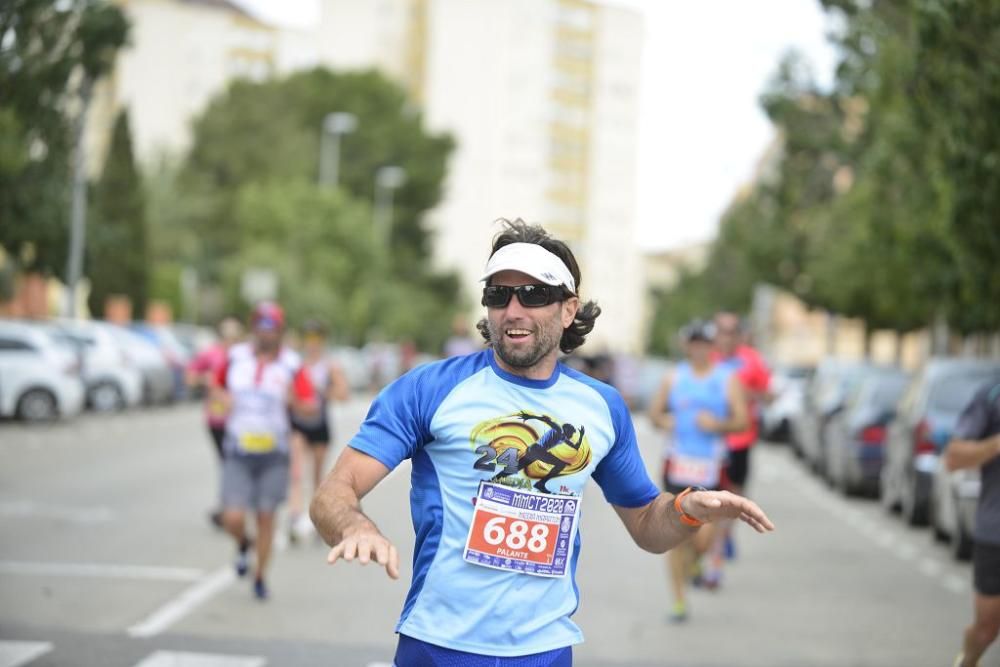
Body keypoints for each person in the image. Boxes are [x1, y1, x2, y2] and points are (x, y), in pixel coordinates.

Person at [310, 219, 774, 666]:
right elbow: (334, 492)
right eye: (498, 294)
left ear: (568, 308)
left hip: (545, 652)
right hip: (438, 647)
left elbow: (648, 527)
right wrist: (356, 527)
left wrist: (688, 509)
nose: (513, 310)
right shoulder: (429, 390)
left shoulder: (601, 408)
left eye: (533, 294)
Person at [211, 301, 318, 600]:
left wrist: (294, 401)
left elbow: (311, 407)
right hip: (238, 450)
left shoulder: (292, 365)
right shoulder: (235, 358)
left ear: (280, 331)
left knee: (266, 516)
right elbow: (214, 386)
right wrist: (222, 399)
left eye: (271, 327)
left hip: (274, 454)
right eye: (261, 325)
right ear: (253, 327)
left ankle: (260, 576)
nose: (266, 332)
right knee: (232, 516)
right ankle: (243, 543)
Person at [649, 320, 748, 621]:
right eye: (693, 343)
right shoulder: (674, 377)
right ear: (686, 346)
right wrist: (666, 422)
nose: (698, 349)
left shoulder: (726, 378)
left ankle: (698, 560)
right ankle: (679, 602)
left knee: (702, 539)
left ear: (712, 346)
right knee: (676, 536)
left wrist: (716, 425)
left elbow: (743, 421)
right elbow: (655, 414)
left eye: (704, 343)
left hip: (711, 470)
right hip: (677, 466)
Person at [944, 379, 1000, 667]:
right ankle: (968, 661)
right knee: (987, 628)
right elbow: (953, 458)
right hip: (995, 532)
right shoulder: (991, 394)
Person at [288, 319, 350, 543]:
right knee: (296, 473)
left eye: (317, 339)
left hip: (320, 425)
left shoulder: (329, 365)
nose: (312, 343)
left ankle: (316, 519)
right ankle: (294, 518)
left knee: (316, 476)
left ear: (322, 341)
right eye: (309, 338)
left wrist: (321, 390)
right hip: (298, 423)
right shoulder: (296, 363)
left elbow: (343, 394)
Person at [185, 316, 244, 528]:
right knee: (226, 462)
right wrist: (206, 379)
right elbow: (190, 377)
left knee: (236, 463)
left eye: (234, 336)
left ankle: (231, 505)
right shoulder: (210, 354)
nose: (230, 340)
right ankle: (227, 505)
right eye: (226, 336)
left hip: (240, 420)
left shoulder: (244, 356)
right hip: (216, 419)